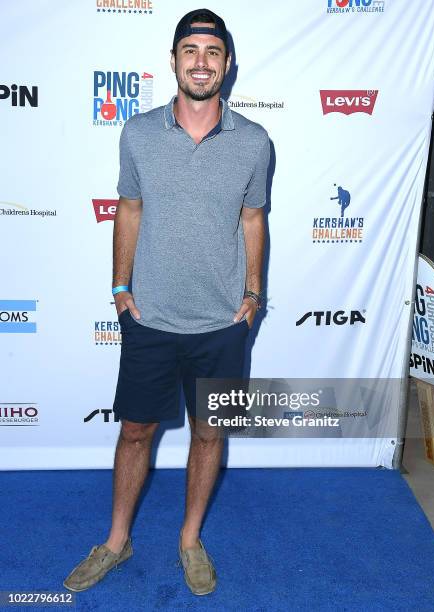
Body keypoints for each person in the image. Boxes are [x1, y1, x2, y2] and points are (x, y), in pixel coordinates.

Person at [64, 8, 270, 596]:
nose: (201, 62)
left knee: (209, 433)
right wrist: (120, 288)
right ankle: (116, 540)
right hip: (150, 317)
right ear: (174, 60)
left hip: (223, 322)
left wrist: (253, 293)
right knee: (134, 433)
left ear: (227, 66)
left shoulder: (255, 143)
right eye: (190, 51)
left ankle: (189, 540)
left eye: (212, 52)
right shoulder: (137, 133)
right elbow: (127, 208)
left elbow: (253, 218)